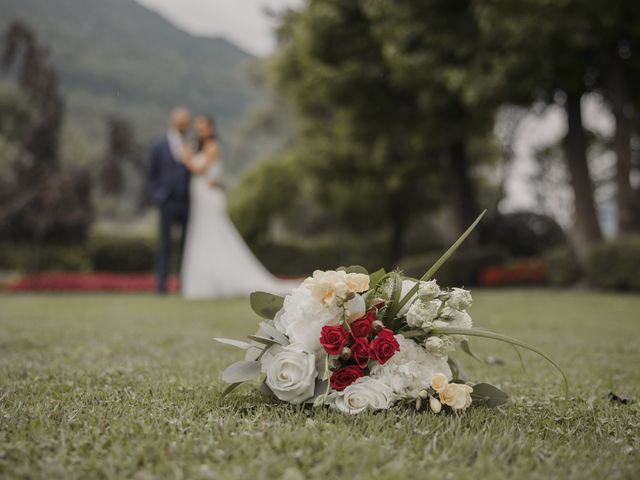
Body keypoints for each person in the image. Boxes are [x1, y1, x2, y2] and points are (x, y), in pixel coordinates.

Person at [180, 115, 298, 299]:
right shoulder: (201, 147)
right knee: (203, 237)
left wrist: (186, 158)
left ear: (210, 129)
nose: (199, 131)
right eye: (198, 128)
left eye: (202, 128)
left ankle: (219, 280)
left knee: (214, 235)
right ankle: (205, 282)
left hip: (209, 198)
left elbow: (200, 168)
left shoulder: (212, 147)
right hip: (201, 198)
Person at [148, 107, 191, 294]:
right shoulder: (159, 145)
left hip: (187, 202)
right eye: (181, 121)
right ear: (173, 121)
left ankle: (183, 285)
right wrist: (158, 194)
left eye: (186, 121)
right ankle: (161, 286)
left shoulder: (190, 144)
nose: (183, 124)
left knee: (186, 245)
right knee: (164, 244)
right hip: (167, 201)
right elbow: (152, 173)